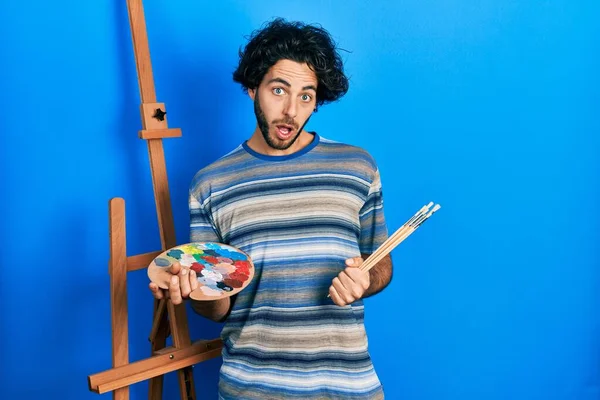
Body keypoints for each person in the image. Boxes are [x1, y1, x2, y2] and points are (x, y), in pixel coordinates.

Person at [149, 17, 393, 400]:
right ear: (252, 87)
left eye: (306, 96)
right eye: (279, 90)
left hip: (348, 387)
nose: (291, 111)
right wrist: (195, 292)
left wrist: (366, 279)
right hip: (252, 389)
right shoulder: (210, 184)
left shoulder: (357, 167)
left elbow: (380, 260)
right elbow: (218, 308)